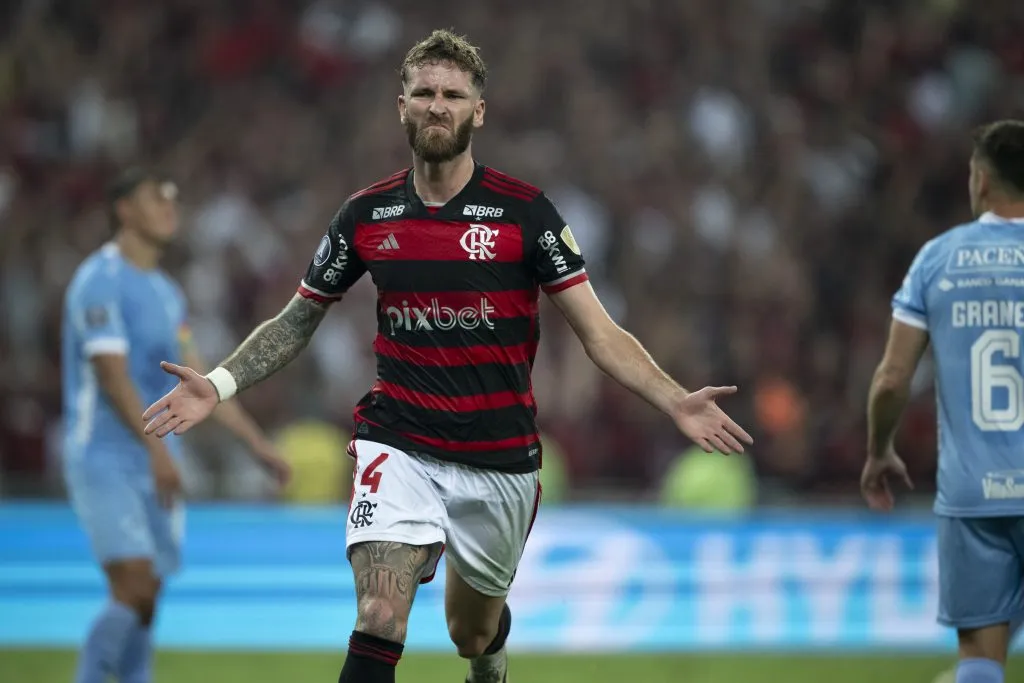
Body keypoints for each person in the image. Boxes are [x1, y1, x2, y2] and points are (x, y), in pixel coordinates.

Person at [142, 30, 752, 683]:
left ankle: (489, 661)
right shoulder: (367, 215)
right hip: (398, 442)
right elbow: (299, 318)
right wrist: (219, 382)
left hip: (499, 460)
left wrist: (673, 398)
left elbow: (599, 333)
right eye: (425, 93)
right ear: (401, 105)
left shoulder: (526, 215)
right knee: (380, 613)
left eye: (453, 95)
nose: (438, 105)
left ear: (478, 111)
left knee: (471, 629)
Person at [61, 167, 290, 683]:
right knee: (134, 586)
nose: (170, 207)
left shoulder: (167, 293)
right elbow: (113, 376)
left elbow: (201, 383)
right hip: (105, 456)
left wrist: (257, 446)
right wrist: (158, 453)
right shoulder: (98, 282)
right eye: (155, 198)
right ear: (124, 210)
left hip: (157, 456)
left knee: (149, 597)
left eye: (173, 199)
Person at [862, 120, 1024, 683]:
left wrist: (879, 450)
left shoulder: (938, 259)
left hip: (973, 496)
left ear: (979, 180)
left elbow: (891, 378)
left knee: (979, 663)